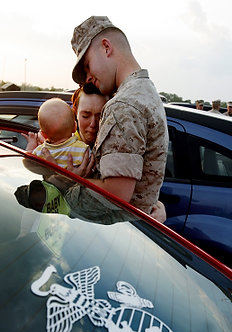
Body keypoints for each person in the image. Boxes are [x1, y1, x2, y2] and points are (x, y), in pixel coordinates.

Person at [70, 16, 168, 214]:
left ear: (106, 47)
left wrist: (65, 182)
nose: (88, 77)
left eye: (87, 65)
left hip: (114, 234)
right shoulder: (146, 91)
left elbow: (116, 195)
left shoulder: (123, 105)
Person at [25, 98, 89, 169]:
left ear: (43, 134)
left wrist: (30, 147)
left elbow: (28, 166)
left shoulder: (39, 152)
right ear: (75, 127)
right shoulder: (83, 150)